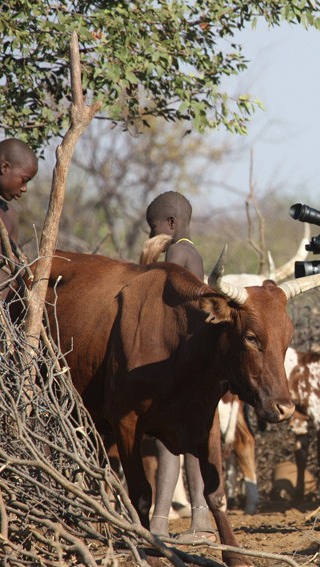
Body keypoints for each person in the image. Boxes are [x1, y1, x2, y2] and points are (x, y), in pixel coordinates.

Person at [144, 191, 216, 543]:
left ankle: (159, 523)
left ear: (170, 225)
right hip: (193, 358)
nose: (150, 233)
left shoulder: (175, 252)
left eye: (152, 227)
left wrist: (146, 263)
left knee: (167, 440)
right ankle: (198, 519)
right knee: (189, 441)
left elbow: (157, 299)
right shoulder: (195, 253)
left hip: (176, 360)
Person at [0, 138, 38, 300]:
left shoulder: (8, 215)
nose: (25, 189)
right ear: (4, 167)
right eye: (24, 180)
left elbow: (11, 266)